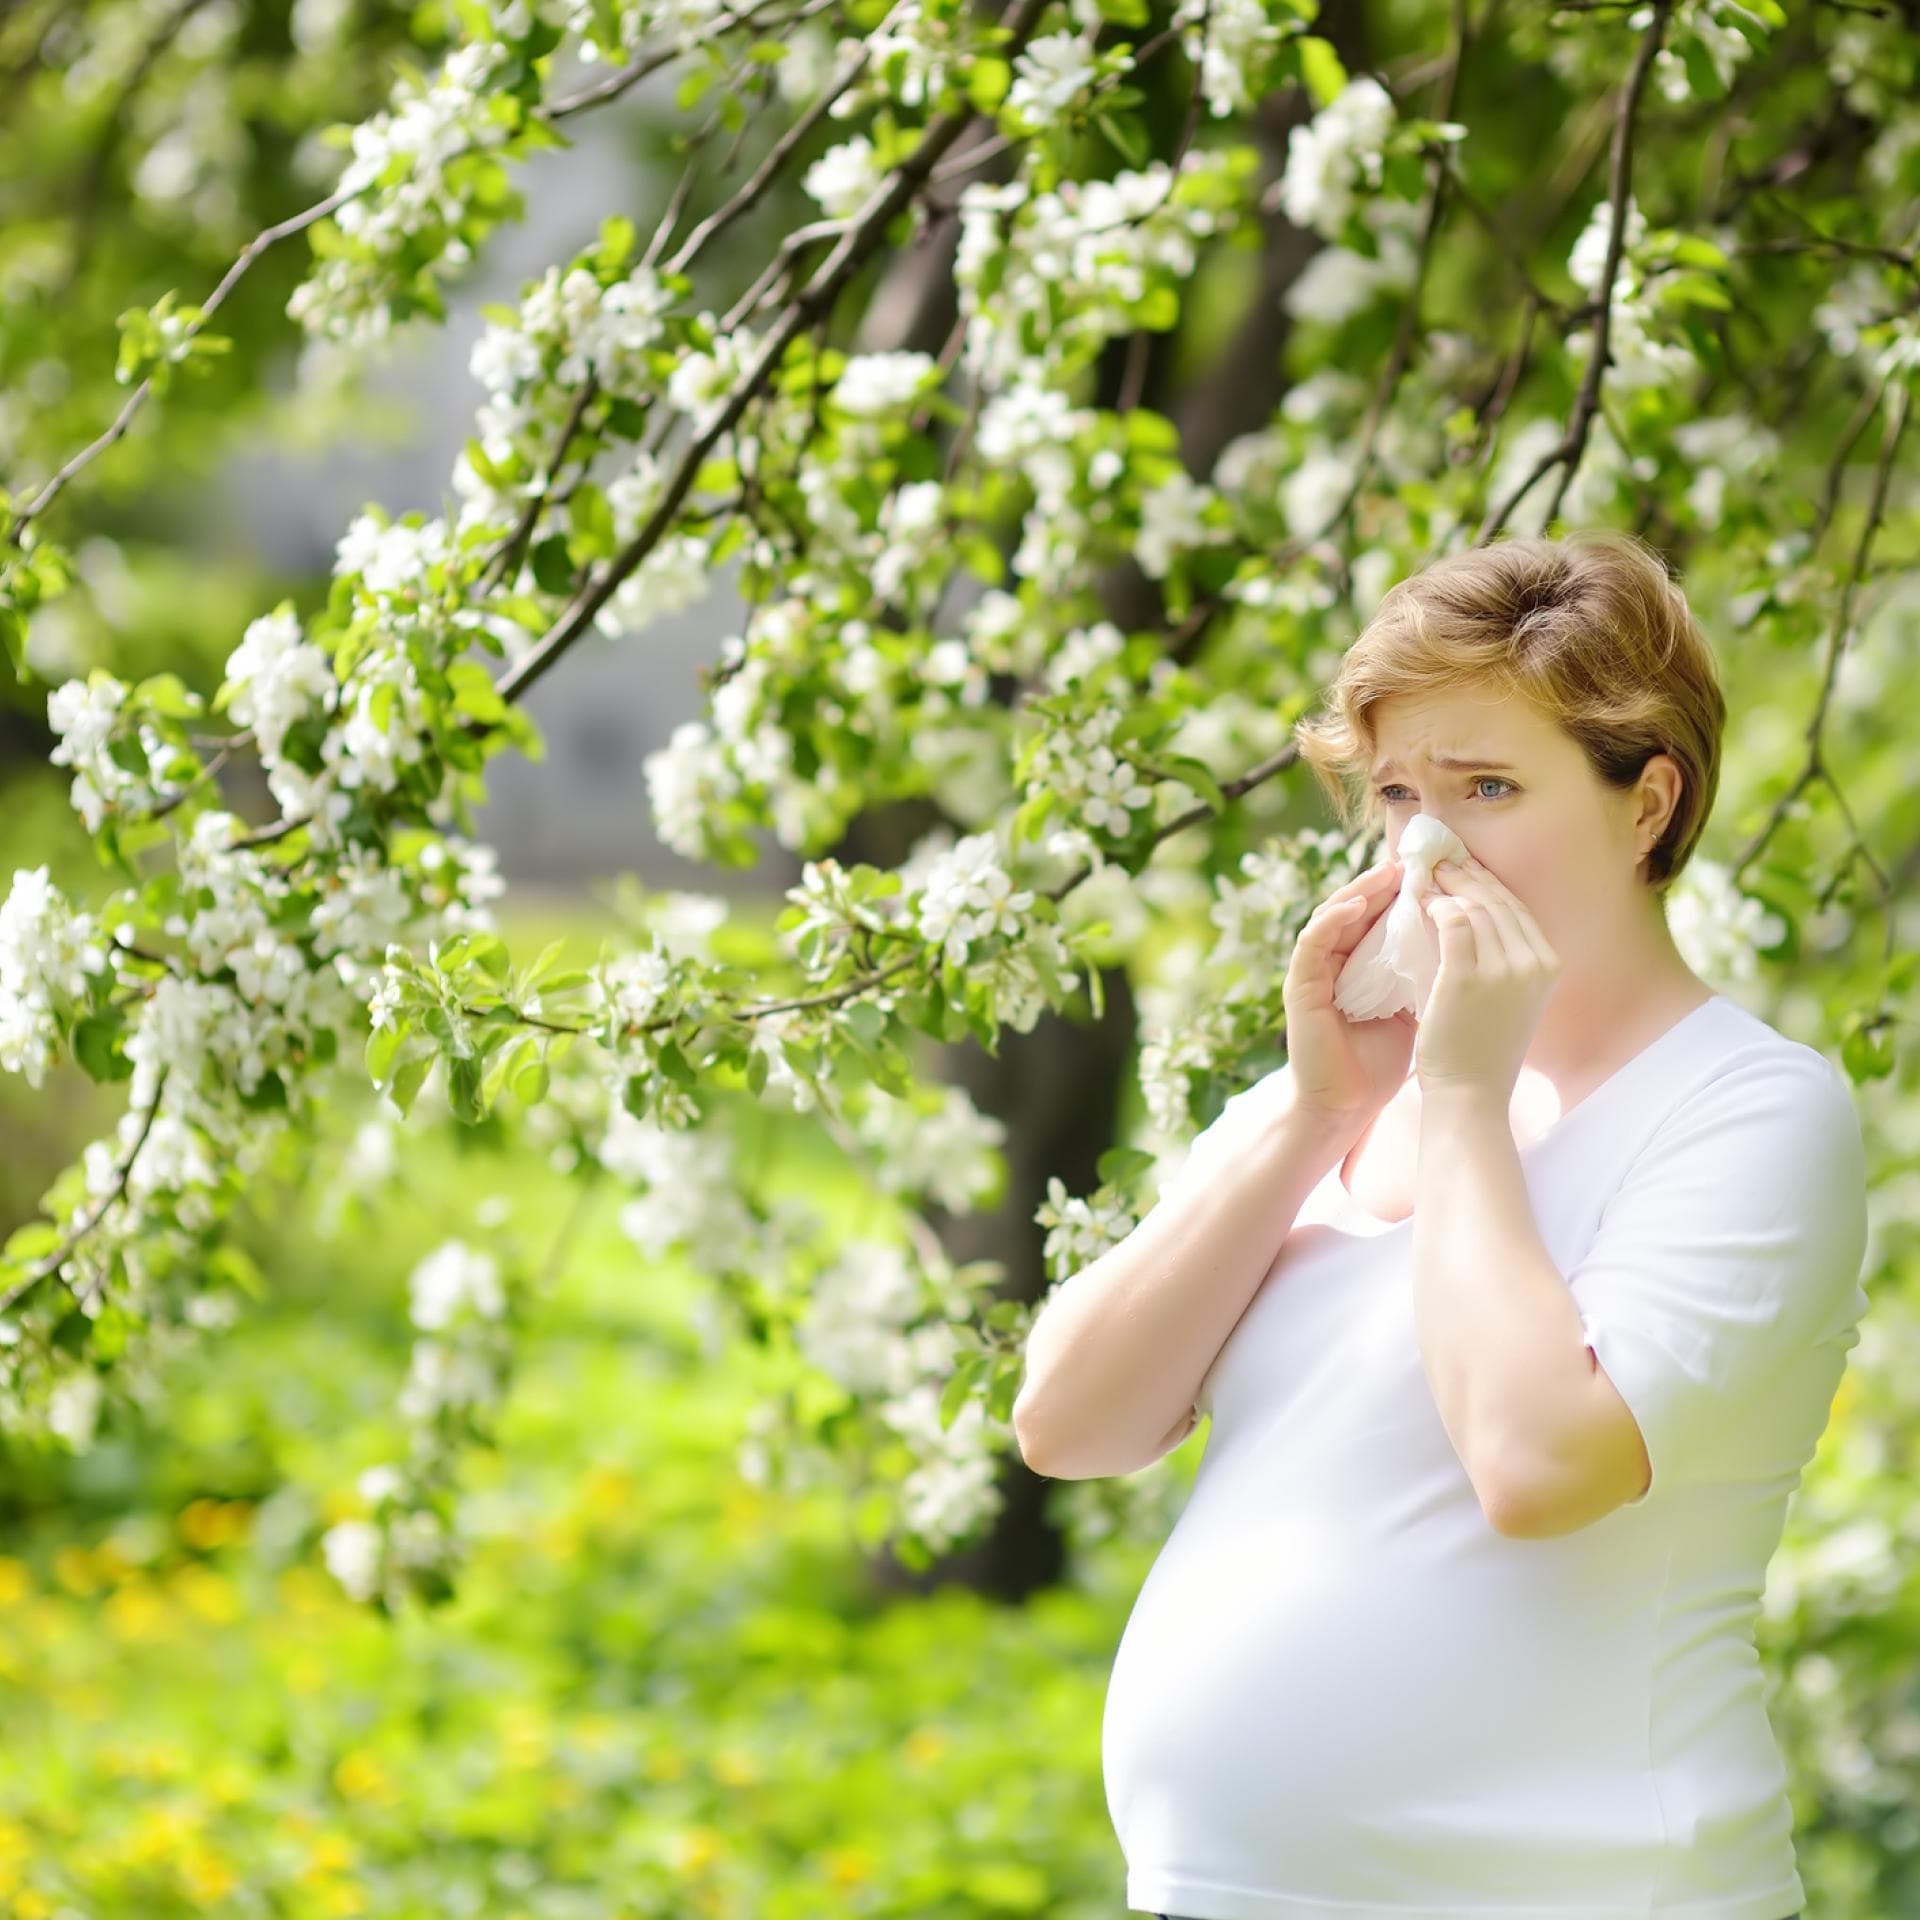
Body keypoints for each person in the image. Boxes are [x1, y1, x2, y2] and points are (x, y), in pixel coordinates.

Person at [1014, 530, 1864, 1920]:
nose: (1427, 842)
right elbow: (1071, 1423)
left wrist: (1464, 1099)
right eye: (1401, 788)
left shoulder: (1749, 1112)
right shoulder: (1344, 1092)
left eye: (1488, 786)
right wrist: (1311, 1118)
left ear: (1649, 803)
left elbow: (1538, 1465)